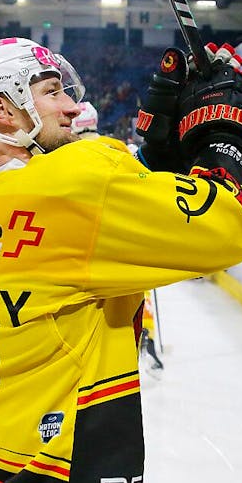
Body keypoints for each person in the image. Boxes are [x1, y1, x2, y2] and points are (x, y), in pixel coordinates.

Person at [0, 38, 242, 483]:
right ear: (1, 109)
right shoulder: (72, 179)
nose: (71, 106)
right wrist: (224, 131)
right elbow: (231, 227)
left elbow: (103, 232)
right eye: (51, 92)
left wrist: (161, 153)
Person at [71, 100, 165, 373]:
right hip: (127, 233)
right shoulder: (121, 148)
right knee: (138, 289)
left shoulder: (68, 153)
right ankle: (144, 334)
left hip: (89, 239)